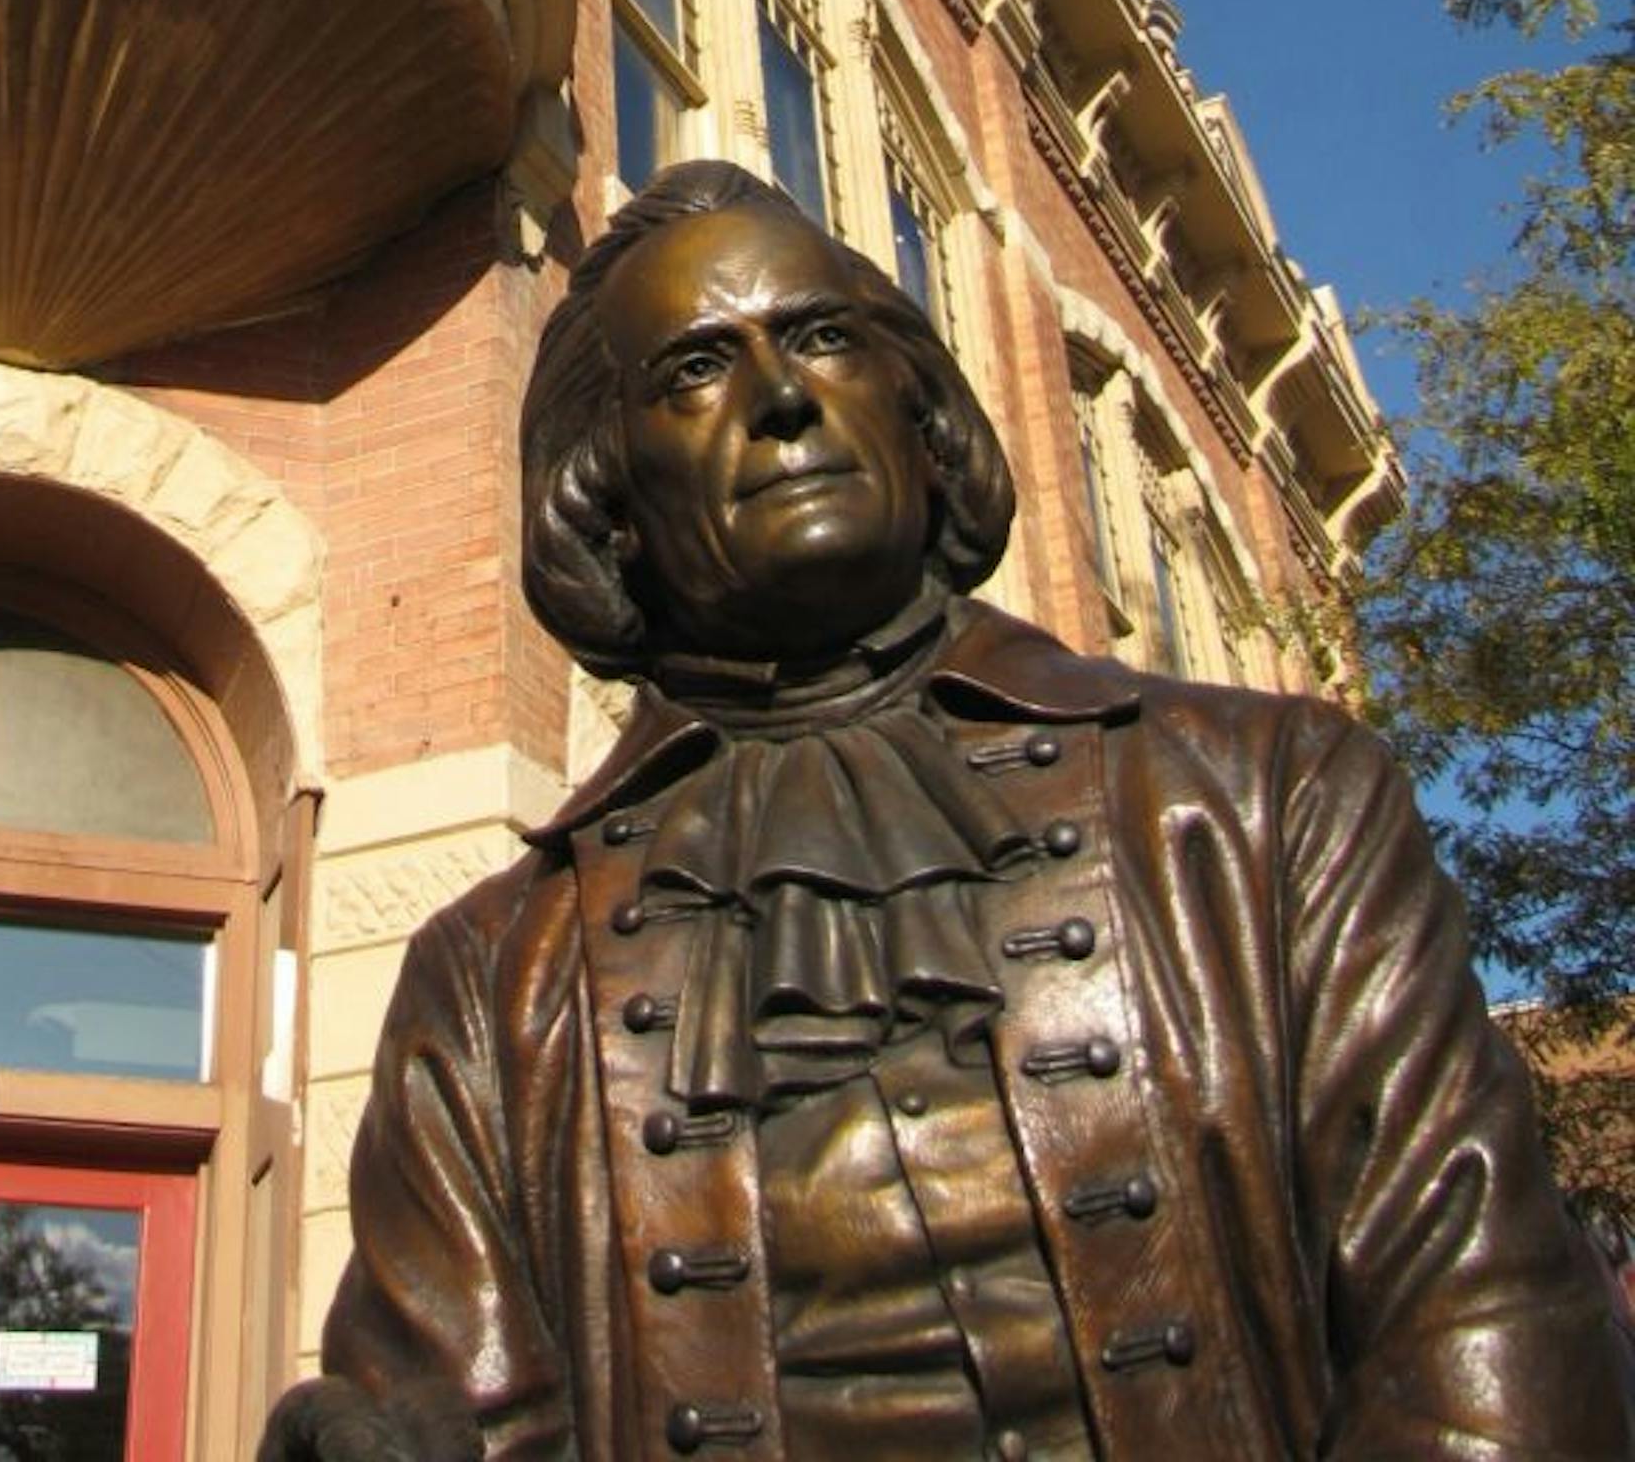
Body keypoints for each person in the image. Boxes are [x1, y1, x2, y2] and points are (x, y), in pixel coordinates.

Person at [266, 162, 1634, 1459]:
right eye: (695, 369)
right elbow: (460, 1403)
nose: (781, 399)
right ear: (604, 499)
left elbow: (1481, 1325)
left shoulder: (1264, 802)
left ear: (924, 416)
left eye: (826, 340)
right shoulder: (499, 978)